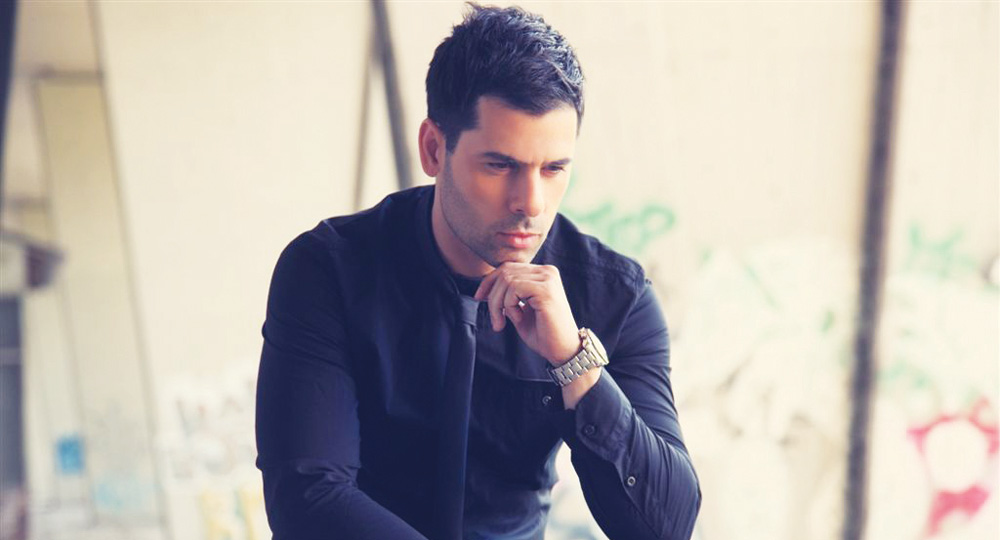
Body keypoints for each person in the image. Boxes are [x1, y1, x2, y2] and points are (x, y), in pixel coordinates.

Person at [255, 4, 701, 539]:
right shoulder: (328, 271)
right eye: (500, 165)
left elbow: (666, 526)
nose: (530, 203)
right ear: (433, 148)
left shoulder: (614, 297)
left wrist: (574, 363)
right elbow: (309, 497)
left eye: (553, 168)